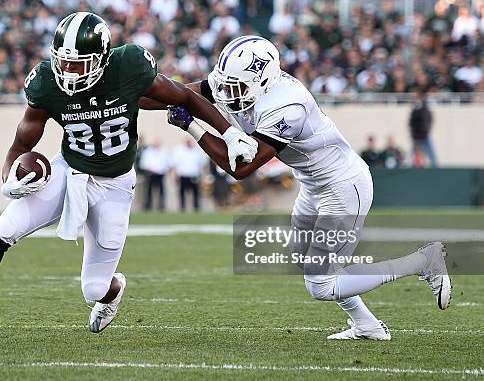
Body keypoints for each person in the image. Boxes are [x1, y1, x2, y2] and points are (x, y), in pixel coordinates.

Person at [0, 12, 258, 335]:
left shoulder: (129, 66)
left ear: (103, 58)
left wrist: (230, 133)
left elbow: (184, 96)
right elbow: (19, 145)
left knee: (94, 288)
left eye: (79, 64)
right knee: (2, 230)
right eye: (64, 62)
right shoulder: (46, 82)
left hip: (115, 186)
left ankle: (113, 291)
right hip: (68, 172)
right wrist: (10, 179)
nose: (69, 71)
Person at [151, 35, 451, 340]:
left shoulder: (287, 105)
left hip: (343, 185)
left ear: (262, 80)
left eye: (236, 87)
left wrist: (192, 126)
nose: (227, 94)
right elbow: (174, 93)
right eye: (225, 84)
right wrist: (126, 94)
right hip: (312, 185)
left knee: (320, 284)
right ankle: (367, 326)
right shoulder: (239, 82)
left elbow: (241, 168)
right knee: (300, 253)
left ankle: (422, 262)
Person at [172, 140, 206, 212]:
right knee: (182, 193)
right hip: (183, 175)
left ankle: (196, 208)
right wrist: (175, 175)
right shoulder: (179, 151)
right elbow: (175, 164)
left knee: (195, 193)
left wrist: (202, 176)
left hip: (194, 176)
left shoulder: (196, 152)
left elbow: (201, 165)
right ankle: (182, 208)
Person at [140, 140, 170, 211]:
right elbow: (144, 163)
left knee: (161, 191)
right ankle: (148, 206)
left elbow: (168, 163)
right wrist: (149, 169)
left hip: (160, 174)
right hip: (150, 174)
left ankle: (161, 206)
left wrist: (165, 170)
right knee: (149, 191)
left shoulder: (164, 152)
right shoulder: (148, 152)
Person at [409, 90, 437, 167]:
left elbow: (428, 120)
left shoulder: (425, 108)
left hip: (424, 135)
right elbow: (411, 123)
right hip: (416, 136)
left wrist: (426, 130)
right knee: (413, 153)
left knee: (430, 153)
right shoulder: (414, 110)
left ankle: (435, 168)